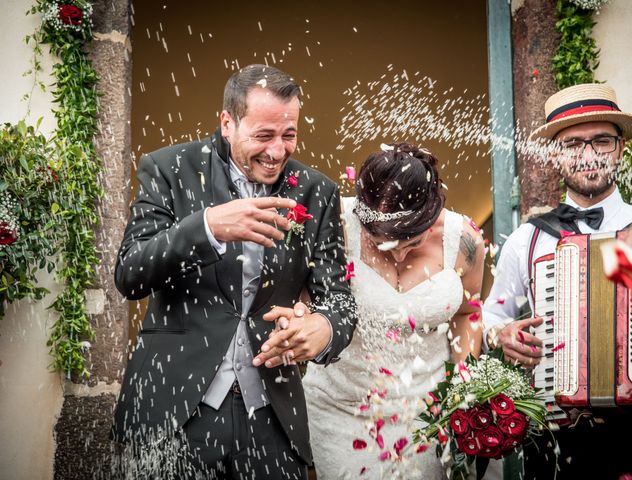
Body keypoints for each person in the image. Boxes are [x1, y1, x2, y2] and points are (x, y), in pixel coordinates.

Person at [112, 64, 358, 479]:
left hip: (272, 419)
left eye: (289, 135)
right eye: (263, 136)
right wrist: (206, 228)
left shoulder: (317, 191)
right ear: (227, 122)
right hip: (173, 411)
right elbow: (130, 272)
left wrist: (324, 328)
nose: (277, 151)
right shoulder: (169, 169)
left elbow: (339, 300)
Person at [482, 83, 632, 479]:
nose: (588, 155)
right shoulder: (527, 239)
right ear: (555, 155)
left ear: (620, 148)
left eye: (601, 141)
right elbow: (490, 316)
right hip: (555, 435)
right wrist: (503, 336)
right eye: (572, 144)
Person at [302, 143, 485, 479]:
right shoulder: (333, 225)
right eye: (383, 243)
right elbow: (302, 301)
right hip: (342, 410)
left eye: (413, 244)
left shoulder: (464, 240)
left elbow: (467, 313)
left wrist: (464, 384)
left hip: (428, 415)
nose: (400, 256)